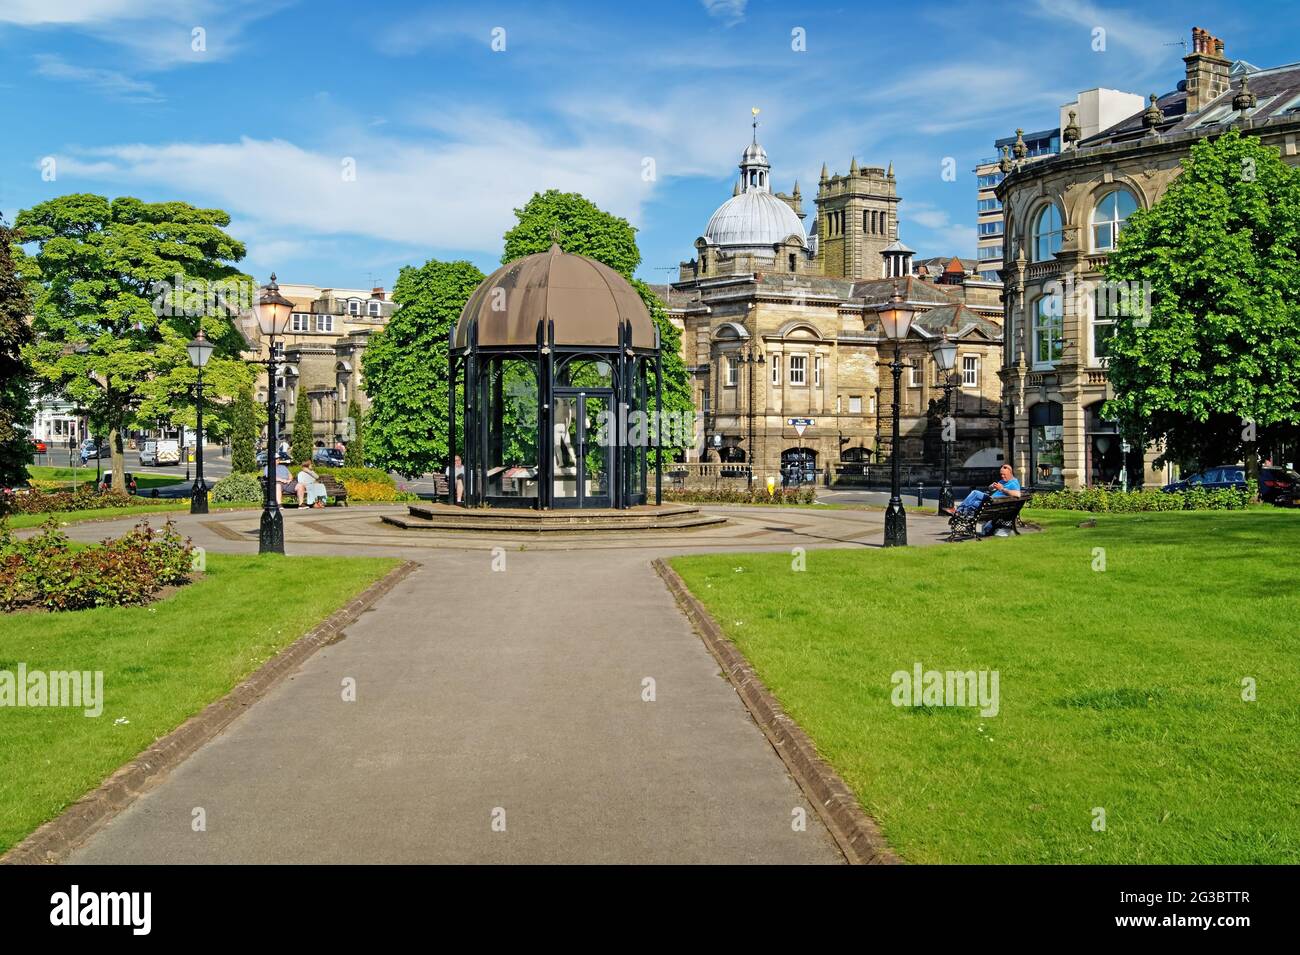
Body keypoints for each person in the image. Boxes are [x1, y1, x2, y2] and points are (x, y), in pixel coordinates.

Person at [945, 464, 1022, 535]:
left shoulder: (1014, 482)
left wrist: (1002, 489)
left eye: (1004, 474)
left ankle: (959, 512)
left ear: (1010, 473)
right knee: (973, 502)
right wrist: (992, 487)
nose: (1002, 476)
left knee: (975, 494)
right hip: (991, 504)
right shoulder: (1003, 480)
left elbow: (1017, 494)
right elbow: (990, 488)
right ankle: (961, 514)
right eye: (1001, 474)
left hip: (992, 504)